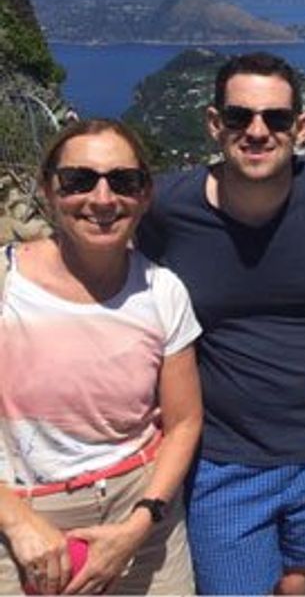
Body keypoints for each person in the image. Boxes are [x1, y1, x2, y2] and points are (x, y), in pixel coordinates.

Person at [137, 52, 305, 595]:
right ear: (214, 123)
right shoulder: (169, 209)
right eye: (240, 116)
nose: (258, 131)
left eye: (277, 118)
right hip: (224, 464)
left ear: (302, 127)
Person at [0, 119, 202, 595]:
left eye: (124, 181)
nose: (103, 199)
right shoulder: (8, 285)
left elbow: (185, 421)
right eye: (79, 180)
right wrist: (18, 521)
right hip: (20, 521)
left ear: (145, 195)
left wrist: (140, 523)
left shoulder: (162, 291)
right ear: (48, 190)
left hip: (141, 512)